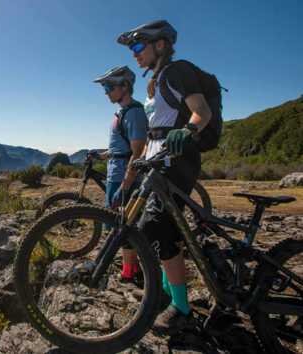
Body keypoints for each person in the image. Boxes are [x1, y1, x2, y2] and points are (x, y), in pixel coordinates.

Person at [117, 20, 213, 333]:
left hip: (178, 161)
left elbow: (201, 111)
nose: (134, 54)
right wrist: (139, 162)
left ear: (160, 44)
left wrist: (189, 130)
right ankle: (166, 295)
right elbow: (155, 129)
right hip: (158, 162)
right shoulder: (156, 81)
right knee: (157, 231)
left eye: (137, 46)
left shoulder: (176, 71)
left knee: (156, 230)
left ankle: (181, 308)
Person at [91, 66, 148, 284]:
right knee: (120, 226)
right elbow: (119, 148)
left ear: (125, 86)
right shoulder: (120, 113)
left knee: (125, 228)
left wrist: (126, 184)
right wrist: (100, 155)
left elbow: (137, 152)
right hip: (115, 174)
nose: (106, 92)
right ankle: (130, 269)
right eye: (105, 88)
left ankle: (131, 272)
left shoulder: (134, 112)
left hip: (125, 177)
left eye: (109, 87)